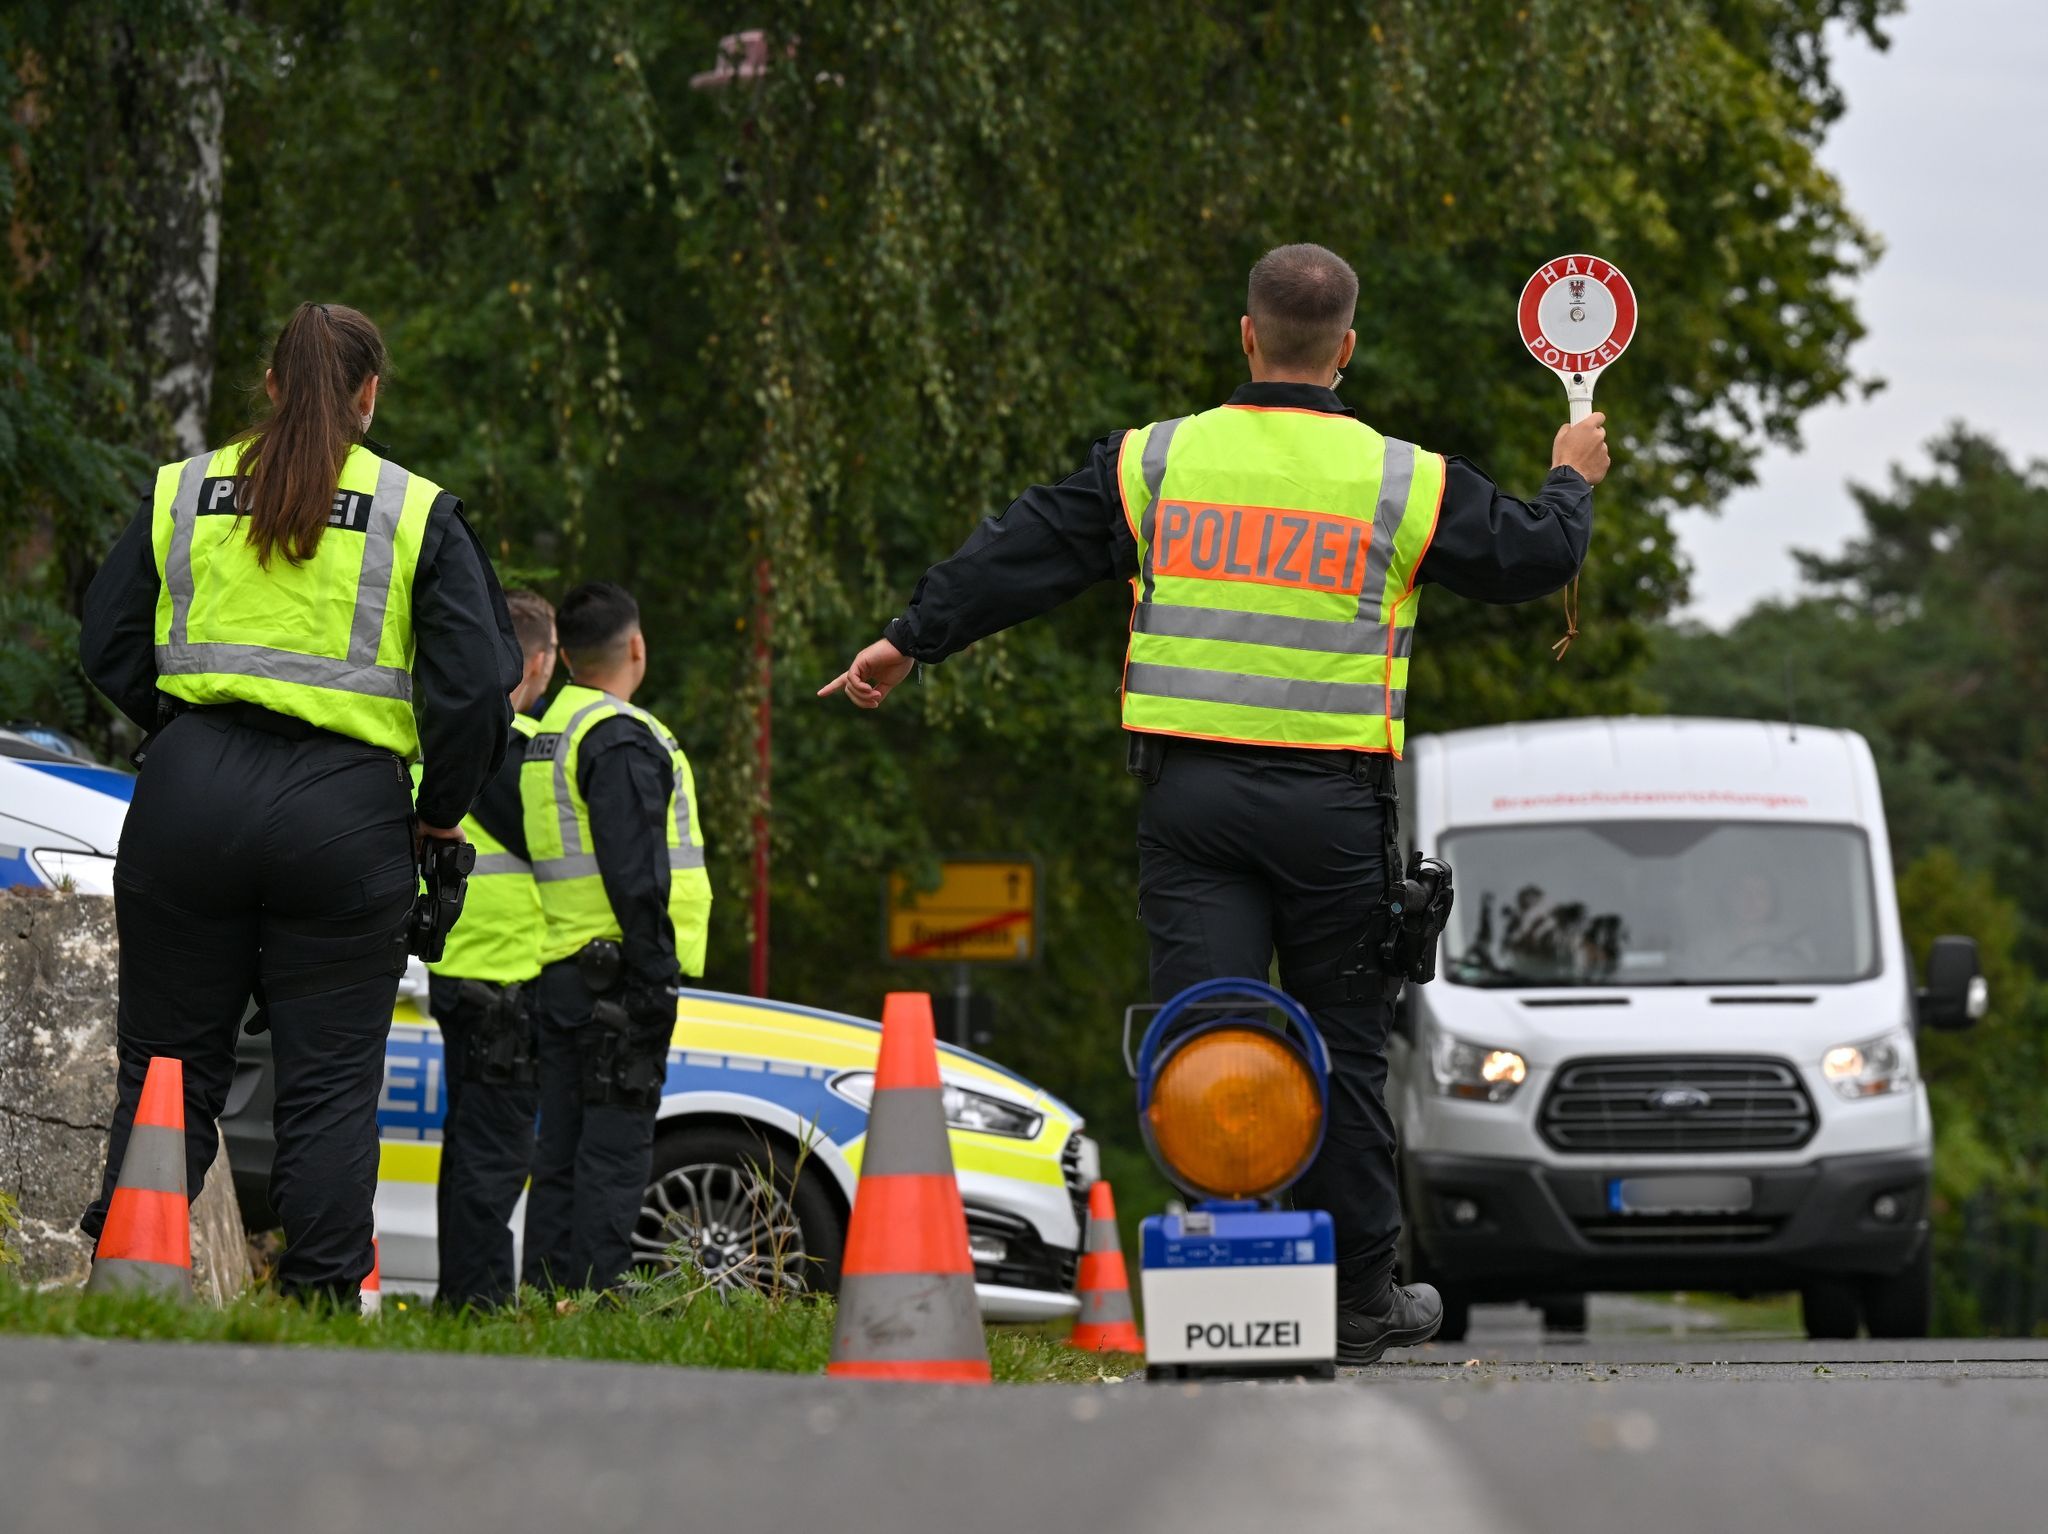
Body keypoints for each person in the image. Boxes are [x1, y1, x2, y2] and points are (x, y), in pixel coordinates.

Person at [821, 243, 1610, 1363]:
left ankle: (1223, 1262)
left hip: (1189, 801)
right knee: (1338, 1039)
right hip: (1330, 806)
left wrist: (909, 639)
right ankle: (1355, 1295)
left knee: (1208, 1033)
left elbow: (1022, 550)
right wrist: (1570, 470)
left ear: (1246, 335)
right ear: (1343, 350)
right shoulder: (1402, 479)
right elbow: (1535, 555)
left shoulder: (1155, 463)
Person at [79, 301, 519, 1302]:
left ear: (270, 385)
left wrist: (189, 734)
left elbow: (104, 639)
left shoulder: (183, 492)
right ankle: (317, 1304)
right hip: (344, 813)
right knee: (328, 1083)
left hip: (188, 799)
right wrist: (438, 813)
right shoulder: (416, 513)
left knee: (164, 1064)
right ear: (369, 395)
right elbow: (474, 692)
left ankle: (131, 1280)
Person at [519, 581, 712, 1291]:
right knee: (613, 1148)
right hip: (620, 980)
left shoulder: (548, 734)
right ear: (636, 646)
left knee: (562, 1151)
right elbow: (637, 873)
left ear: (564, 656)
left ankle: (544, 1301)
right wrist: (655, 973)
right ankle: (598, 1300)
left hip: (564, 970)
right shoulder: (620, 737)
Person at [422, 588, 558, 1309]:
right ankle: (476, 1310)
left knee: (468, 1146)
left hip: (457, 971)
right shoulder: (528, 756)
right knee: (495, 1155)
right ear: (535, 661)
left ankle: (459, 1302)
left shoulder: (434, 739)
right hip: (513, 980)